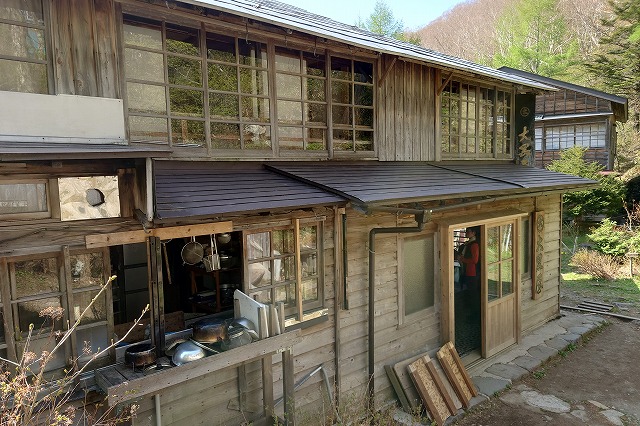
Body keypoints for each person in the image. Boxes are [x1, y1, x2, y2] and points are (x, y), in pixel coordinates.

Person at [458, 227, 480, 291]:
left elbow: (475, 260)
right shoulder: (468, 244)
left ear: (473, 233)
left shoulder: (474, 245)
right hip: (466, 269)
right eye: (466, 231)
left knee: (471, 290)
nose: (466, 233)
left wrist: (463, 259)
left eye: (468, 231)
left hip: (472, 271)